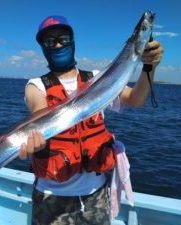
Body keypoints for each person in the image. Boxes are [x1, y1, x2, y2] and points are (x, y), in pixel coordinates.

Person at [20, 15, 163, 225]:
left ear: (73, 41)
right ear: (43, 47)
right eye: (50, 41)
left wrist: (149, 67)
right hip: (51, 197)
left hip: (95, 195)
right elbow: (40, 112)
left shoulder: (98, 80)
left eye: (63, 38)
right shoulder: (35, 86)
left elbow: (136, 99)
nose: (58, 44)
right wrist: (35, 137)